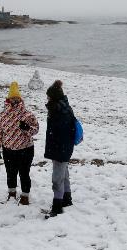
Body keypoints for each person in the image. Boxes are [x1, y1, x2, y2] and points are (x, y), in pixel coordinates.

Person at [0, 82, 40, 205]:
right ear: (8, 99)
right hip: (8, 150)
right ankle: (12, 193)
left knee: (24, 173)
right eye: (12, 98)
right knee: (10, 173)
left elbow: (36, 129)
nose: (14, 100)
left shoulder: (27, 114)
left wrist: (27, 128)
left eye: (16, 98)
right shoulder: (2, 115)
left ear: (20, 99)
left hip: (26, 149)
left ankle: (25, 196)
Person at [43, 80, 77, 218]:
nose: (47, 99)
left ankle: (57, 206)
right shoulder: (65, 108)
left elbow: (59, 132)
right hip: (64, 148)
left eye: (49, 97)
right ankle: (66, 199)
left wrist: (56, 147)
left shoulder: (59, 112)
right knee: (64, 173)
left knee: (57, 178)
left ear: (54, 97)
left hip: (60, 148)